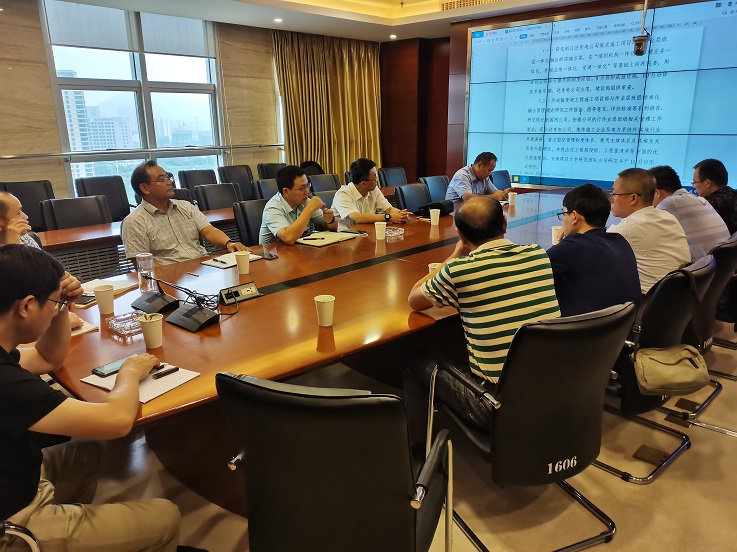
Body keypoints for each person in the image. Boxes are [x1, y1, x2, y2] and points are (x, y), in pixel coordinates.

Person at [0, 244, 203, 552]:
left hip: (16, 475)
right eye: (51, 304)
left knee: (86, 454)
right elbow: (116, 421)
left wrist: (61, 306)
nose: (55, 309)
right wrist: (129, 372)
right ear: (26, 306)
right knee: (165, 516)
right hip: (11, 520)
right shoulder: (6, 382)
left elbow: (46, 358)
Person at [403, 196, 560, 434]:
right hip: (553, 391)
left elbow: (414, 299)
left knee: (414, 360)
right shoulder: (539, 254)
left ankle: (419, 445)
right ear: (504, 223)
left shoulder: (460, 270)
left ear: (460, 235)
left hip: (496, 405)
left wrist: (454, 255)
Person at [122, 161, 250, 264]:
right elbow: (143, 264)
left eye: (168, 177)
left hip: (203, 266)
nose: (169, 182)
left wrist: (229, 243)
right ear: (145, 188)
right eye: (161, 180)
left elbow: (208, 230)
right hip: (171, 278)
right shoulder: (134, 222)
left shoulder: (185, 206)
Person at [547, 184, 641, 316]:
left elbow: (535, 268)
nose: (563, 221)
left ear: (574, 217)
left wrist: (564, 242)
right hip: (624, 324)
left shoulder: (572, 248)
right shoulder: (620, 241)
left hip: (584, 327)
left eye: (564, 214)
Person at [0, 191, 83, 330]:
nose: (25, 217)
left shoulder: (26, 240)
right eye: (18, 213)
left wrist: (63, 290)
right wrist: (12, 248)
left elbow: (45, 282)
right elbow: (10, 298)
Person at [608, 168, 690, 295]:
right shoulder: (668, 217)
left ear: (633, 198)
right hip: (675, 298)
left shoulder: (629, 227)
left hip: (646, 301)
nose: (611, 199)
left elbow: (594, 248)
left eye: (614, 194)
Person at [651, 165, 729, 261]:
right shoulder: (698, 199)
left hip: (703, 267)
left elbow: (646, 235)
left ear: (657, 193)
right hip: (721, 265)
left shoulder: (670, 203)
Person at [259, 165, 338, 244]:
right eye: (302, 188)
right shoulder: (272, 208)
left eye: (307, 185)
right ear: (286, 191)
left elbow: (332, 227)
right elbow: (288, 238)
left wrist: (330, 220)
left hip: (299, 248)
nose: (307, 191)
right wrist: (309, 209)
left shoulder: (305, 201)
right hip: (273, 251)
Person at [331, 158, 410, 226]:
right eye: (374, 179)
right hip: (344, 235)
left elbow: (388, 209)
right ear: (363, 183)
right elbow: (358, 218)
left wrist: (400, 214)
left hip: (365, 232)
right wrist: (389, 217)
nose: (377, 180)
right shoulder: (343, 194)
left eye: (376, 176)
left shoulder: (373, 189)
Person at [445, 152, 509, 208]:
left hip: (473, 210)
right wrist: (493, 197)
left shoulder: (484, 177)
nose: (490, 174)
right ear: (479, 165)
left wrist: (504, 194)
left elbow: (495, 192)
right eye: (489, 170)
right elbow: (467, 198)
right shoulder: (462, 175)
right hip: (454, 212)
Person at [691, 158, 737, 234]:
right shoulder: (733, 195)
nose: (694, 186)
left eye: (694, 182)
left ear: (707, 183)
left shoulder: (706, 205)